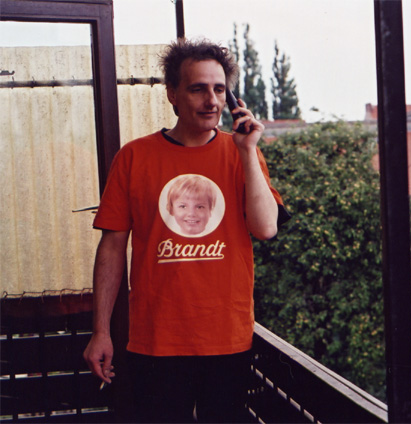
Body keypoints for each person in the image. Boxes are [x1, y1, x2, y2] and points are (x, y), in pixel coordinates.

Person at [83, 38, 289, 423]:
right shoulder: (134, 157)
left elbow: (266, 228)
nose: (211, 100)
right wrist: (101, 331)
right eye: (198, 89)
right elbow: (111, 248)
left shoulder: (243, 153)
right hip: (155, 340)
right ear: (173, 94)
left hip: (227, 338)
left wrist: (247, 151)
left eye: (219, 89)